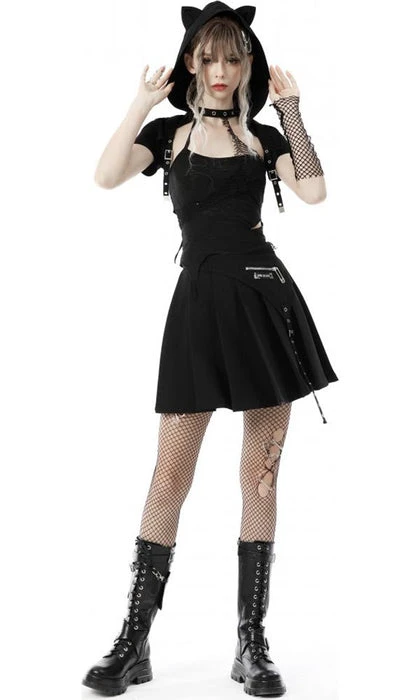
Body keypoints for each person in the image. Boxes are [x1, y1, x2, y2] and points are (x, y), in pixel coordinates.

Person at [82, 2, 339, 696]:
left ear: (247, 64)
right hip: (197, 312)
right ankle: (133, 641)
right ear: (191, 64)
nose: (220, 70)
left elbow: (314, 191)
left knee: (261, 477)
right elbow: (105, 175)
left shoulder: (263, 140)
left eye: (233, 58)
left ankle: (251, 644)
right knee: (169, 476)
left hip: (265, 308)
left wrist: (291, 112)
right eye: (208, 58)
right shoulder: (168, 137)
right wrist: (142, 101)